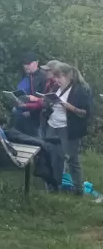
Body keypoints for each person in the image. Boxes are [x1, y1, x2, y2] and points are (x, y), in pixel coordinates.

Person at [43, 63, 91, 196]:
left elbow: (85, 113)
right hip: (53, 125)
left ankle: (78, 190)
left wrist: (70, 107)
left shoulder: (79, 90)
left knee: (72, 159)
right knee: (52, 156)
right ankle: (54, 185)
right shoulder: (56, 87)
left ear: (68, 76)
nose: (56, 80)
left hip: (68, 129)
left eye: (59, 77)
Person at [10, 54, 49, 137]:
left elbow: (45, 101)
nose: (26, 66)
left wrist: (31, 112)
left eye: (28, 64)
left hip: (36, 117)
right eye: (24, 64)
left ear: (36, 63)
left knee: (35, 139)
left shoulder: (43, 77)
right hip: (24, 110)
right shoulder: (28, 75)